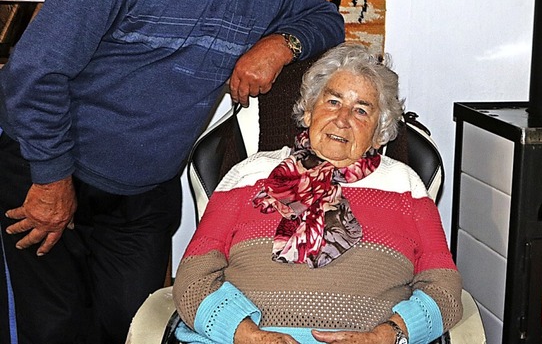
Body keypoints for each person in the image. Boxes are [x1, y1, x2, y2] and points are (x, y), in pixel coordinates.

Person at [0, 0, 344, 344]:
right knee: (54, 331)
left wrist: (277, 45)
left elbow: (326, 19)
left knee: (136, 327)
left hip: (144, 191)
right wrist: (52, 178)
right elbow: (36, 70)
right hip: (50, 171)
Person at [172, 43, 463, 344]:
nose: (343, 119)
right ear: (309, 112)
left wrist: (383, 336)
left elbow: (443, 290)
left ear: (379, 133)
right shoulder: (248, 173)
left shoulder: (405, 185)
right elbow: (194, 277)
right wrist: (248, 335)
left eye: (361, 110)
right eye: (333, 101)